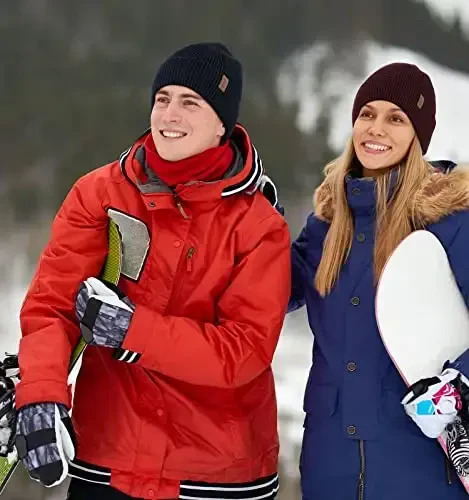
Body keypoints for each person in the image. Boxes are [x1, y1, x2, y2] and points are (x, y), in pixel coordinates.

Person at [14, 42, 290, 500]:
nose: (169, 115)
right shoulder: (100, 193)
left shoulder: (259, 225)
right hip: (106, 458)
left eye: (190, 102)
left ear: (222, 124)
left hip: (215, 475)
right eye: (163, 99)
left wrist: (133, 331)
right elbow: (52, 306)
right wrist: (41, 390)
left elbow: (245, 350)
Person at [290, 62, 469, 499]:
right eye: (367, 114)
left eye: (396, 118)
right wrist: (250, 221)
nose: (376, 128)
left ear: (418, 136)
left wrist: (457, 387)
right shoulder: (325, 225)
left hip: (421, 471)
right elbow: (267, 292)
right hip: (329, 466)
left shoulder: (448, 222)